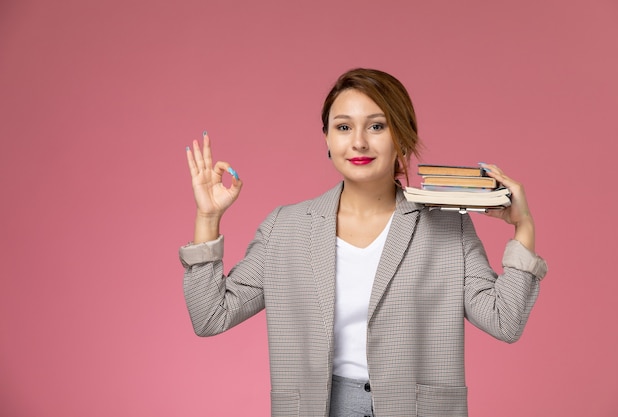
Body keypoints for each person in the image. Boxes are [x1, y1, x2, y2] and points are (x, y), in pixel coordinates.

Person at [179, 68, 547, 417]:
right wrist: (208, 218)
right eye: (343, 127)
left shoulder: (448, 227)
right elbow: (211, 316)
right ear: (326, 137)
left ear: (401, 135)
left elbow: (505, 321)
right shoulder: (285, 228)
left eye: (376, 126)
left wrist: (524, 227)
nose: (358, 142)